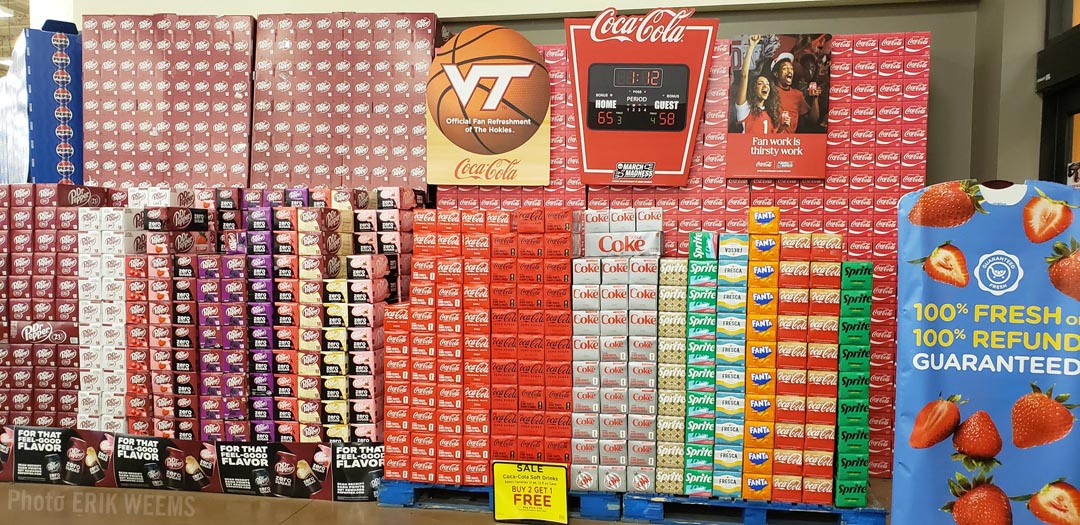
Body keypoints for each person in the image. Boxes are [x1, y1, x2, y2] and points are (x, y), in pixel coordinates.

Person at [734, 35, 780, 135]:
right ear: (753, 88)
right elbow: (744, 76)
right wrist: (751, 46)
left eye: (767, 84)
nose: (765, 86)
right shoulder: (745, 109)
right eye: (760, 83)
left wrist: (782, 128)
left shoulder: (771, 114)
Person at [771, 51, 821, 133]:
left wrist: (815, 99)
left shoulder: (797, 94)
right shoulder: (769, 91)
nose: (789, 71)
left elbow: (813, 120)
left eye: (791, 68)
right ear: (776, 74)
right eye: (785, 68)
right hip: (771, 141)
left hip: (790, 142)